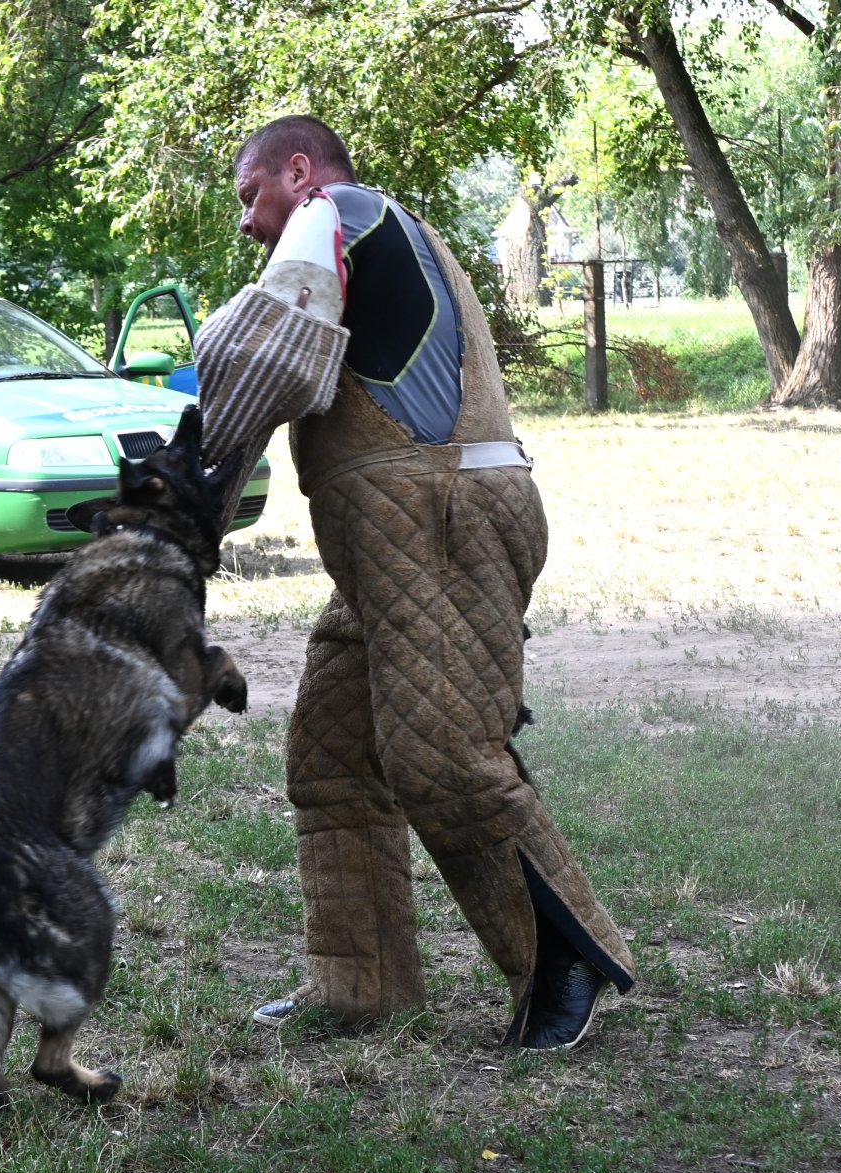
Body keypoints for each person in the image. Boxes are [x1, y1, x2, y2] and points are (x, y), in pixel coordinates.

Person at [229, 116, 636, 1050]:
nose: (249, 221)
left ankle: (563, 960)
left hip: (441, 522)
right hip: (392, 546)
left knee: (442, 755)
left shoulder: (338, 212)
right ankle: (362, 987)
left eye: (253, 196)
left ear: (301, 172)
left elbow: (264, 352)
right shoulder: (349, 237)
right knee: (333, 756)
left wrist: (192, 487)